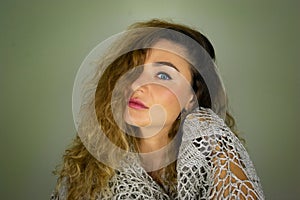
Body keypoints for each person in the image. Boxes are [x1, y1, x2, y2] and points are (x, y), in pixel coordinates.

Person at [51, 19, 264, 199]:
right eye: (134, 71)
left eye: (163, 75)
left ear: (192, 96)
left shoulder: (208, 147)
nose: (136, 85)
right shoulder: (91, 167)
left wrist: (212, 132)